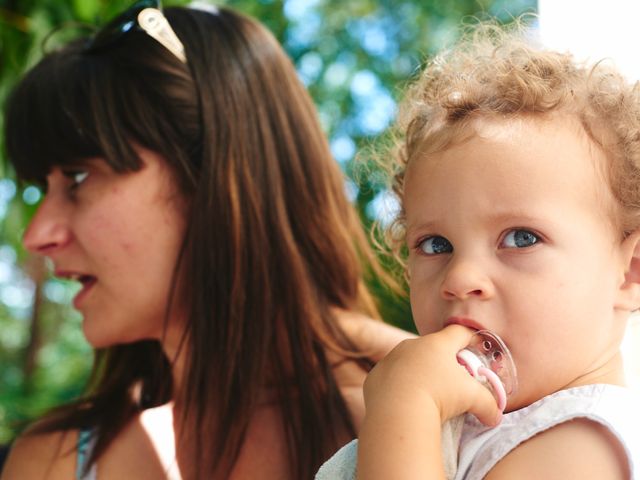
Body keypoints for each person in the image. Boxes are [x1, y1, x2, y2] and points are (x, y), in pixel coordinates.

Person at [0, 1, 413, 479]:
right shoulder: (53, 461)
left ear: (211, 172)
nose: (37, 234)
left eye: (77, 177)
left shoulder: (456, 413)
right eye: (41, 188)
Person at [320, 23, 640, 480]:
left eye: (521, 238)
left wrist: (405, 404)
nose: (458, 277)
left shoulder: (582, 445)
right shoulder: (476, 421)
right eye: (436, 245)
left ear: (628, 271)